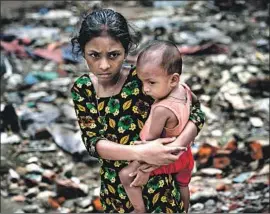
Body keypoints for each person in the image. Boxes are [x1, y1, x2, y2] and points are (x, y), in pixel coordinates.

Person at [70, 8, 205, 213]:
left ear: (126, 50)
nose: (104, 65)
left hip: (160, 184)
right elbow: (93, 142)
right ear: (82, 51)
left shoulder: (144, 80)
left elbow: (194, 111)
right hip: (117, 187)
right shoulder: (84, 89)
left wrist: (175, 146)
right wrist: (142, 151)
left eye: (114, 55)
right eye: (94, 55)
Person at [119, 40, 194, 213]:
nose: (145, 89)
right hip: (185, 154)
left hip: (166, 156)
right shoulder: (184, 89)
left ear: (173, 79)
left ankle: (139, 210)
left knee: (125, 176)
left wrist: (144, 167)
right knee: (183, 185)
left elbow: (150, 143)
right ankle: (185, 210)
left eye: (151, 83)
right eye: (142, 82)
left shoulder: (161, 109)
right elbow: (194, 105)